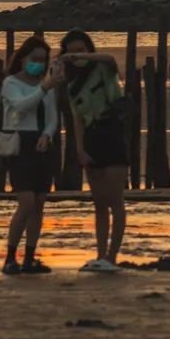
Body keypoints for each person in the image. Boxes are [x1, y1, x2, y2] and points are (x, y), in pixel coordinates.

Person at [59, 29, 129, 273]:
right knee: (99, 202)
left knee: (115, 199)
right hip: (92, 138)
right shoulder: (72, 85)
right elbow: (77, 119)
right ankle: (100, 255)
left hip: (112, 132)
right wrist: (80, 149)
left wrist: (86, 58)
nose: (76, 55)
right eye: (72, 51)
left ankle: (112, 256)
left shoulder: (103, 68)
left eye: (81, 49)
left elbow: (110, 59)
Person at [0, 35, 61, 275]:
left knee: (38, 204)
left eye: (42, 60)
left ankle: (29, 258)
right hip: (20, 144)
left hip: (41, 144)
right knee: (25, 203)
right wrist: (44, 87)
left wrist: (47, 135)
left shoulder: (46, 86)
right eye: (34, 59)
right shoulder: (11, 84)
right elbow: (20, 107)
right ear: (23, 58)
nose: (38, 64)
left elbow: (52, 116)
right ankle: (10, 256)